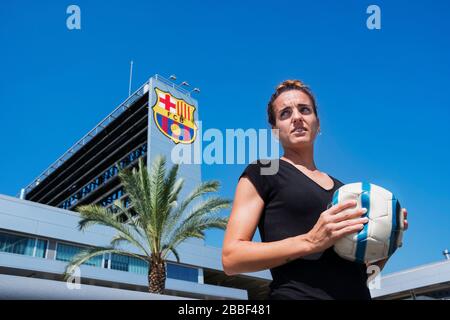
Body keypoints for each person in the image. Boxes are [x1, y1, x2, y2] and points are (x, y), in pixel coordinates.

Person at [222, 79, 409, 300]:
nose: (297, 118)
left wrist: (388, 244)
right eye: (285, 113)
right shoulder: (263, 171)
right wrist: (311, 241)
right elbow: (231, 259)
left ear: (318, 124)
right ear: (274, 132)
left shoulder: (346, 191)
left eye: (304, 110)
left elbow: (361, 276)